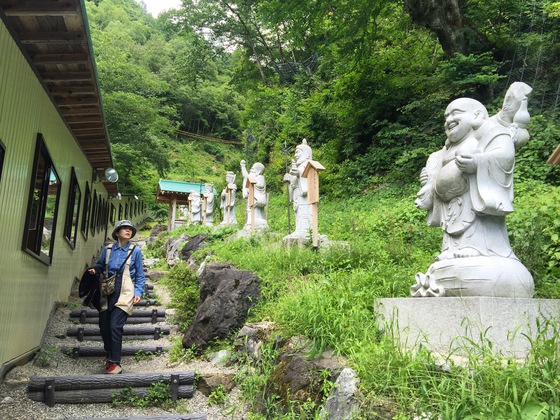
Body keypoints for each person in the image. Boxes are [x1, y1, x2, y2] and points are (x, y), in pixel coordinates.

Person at [415, 97, 516, 260]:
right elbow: (436, 166)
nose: (449, 120)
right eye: (446, 117)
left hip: (475, 198)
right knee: (454, 224)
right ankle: (451, 249)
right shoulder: (448, 147)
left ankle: (480, 248)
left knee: (475, 217)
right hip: (452, 204)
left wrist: (478, 163)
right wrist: (430, 177)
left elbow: (505, 155)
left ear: (477, 115)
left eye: (455, 113)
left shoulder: (489, 132)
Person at [88, 220, 145, 374]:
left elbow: (140, 275)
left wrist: (138, 292)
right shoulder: (108, 250)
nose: (128, 231)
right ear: (117, 232)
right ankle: (109, 353)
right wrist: (94, 270)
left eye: (130, 229)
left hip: (125, 291)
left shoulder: (135, 251)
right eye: (124, 229)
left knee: (115, 326)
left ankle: (115, 362)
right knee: (104, 326)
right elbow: (100, 266)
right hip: (107, 290)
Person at [283, 139, 313, 238]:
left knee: (304, 212)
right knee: (298, 212)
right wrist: (290, 178)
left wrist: (298, 173)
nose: (295, 155)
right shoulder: (300, 166)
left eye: (297, 152)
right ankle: (299, 229)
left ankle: (306, 231)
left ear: (306, 154)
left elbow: (306, 177)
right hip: (297, 194)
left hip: (305, 196)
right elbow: (295, 180)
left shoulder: (308, 165)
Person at [240, 160, 268, 230]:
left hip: (257, 198)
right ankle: (251, 222)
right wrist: (243, 167)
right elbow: (246, 177)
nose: (250, 170)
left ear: (258, 171)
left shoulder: (261, 177)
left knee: (256, 214)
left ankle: (261, 222)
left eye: (252, 169)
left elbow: (260, 185)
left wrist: (253, 181)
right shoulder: (252, 176)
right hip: (251, 197)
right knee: (250, 212)